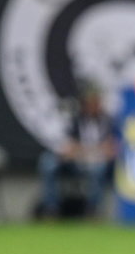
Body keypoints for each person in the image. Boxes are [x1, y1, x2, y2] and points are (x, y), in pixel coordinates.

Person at [37, 88, 117, 219]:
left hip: (96, 162)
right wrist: (88, 151)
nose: (93, 106)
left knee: (98, 169)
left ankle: (93, 211)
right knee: (48, 163)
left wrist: (87, 151)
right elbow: (68, 148)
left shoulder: (108, 122)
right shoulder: (75, 121)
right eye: (90, 102)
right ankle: (51, 208)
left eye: (95, 102)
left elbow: (110, 149)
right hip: (76, 162)